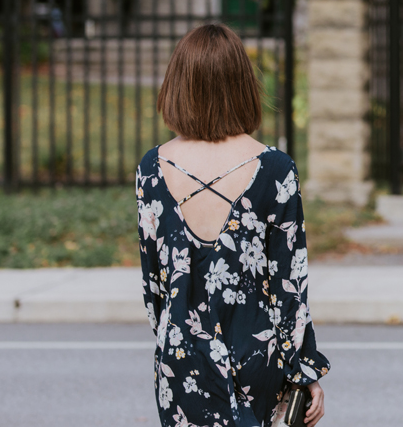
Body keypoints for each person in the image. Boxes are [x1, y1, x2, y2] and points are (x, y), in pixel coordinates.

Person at [137, 24, 329, 427]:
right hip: (257, 357)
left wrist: (174, 340)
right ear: (242, 85)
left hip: (181, 357)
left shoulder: (151, 169)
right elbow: (289, 285)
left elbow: (154, 284)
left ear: (178, 85)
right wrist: (303, 370)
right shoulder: (275, 169)